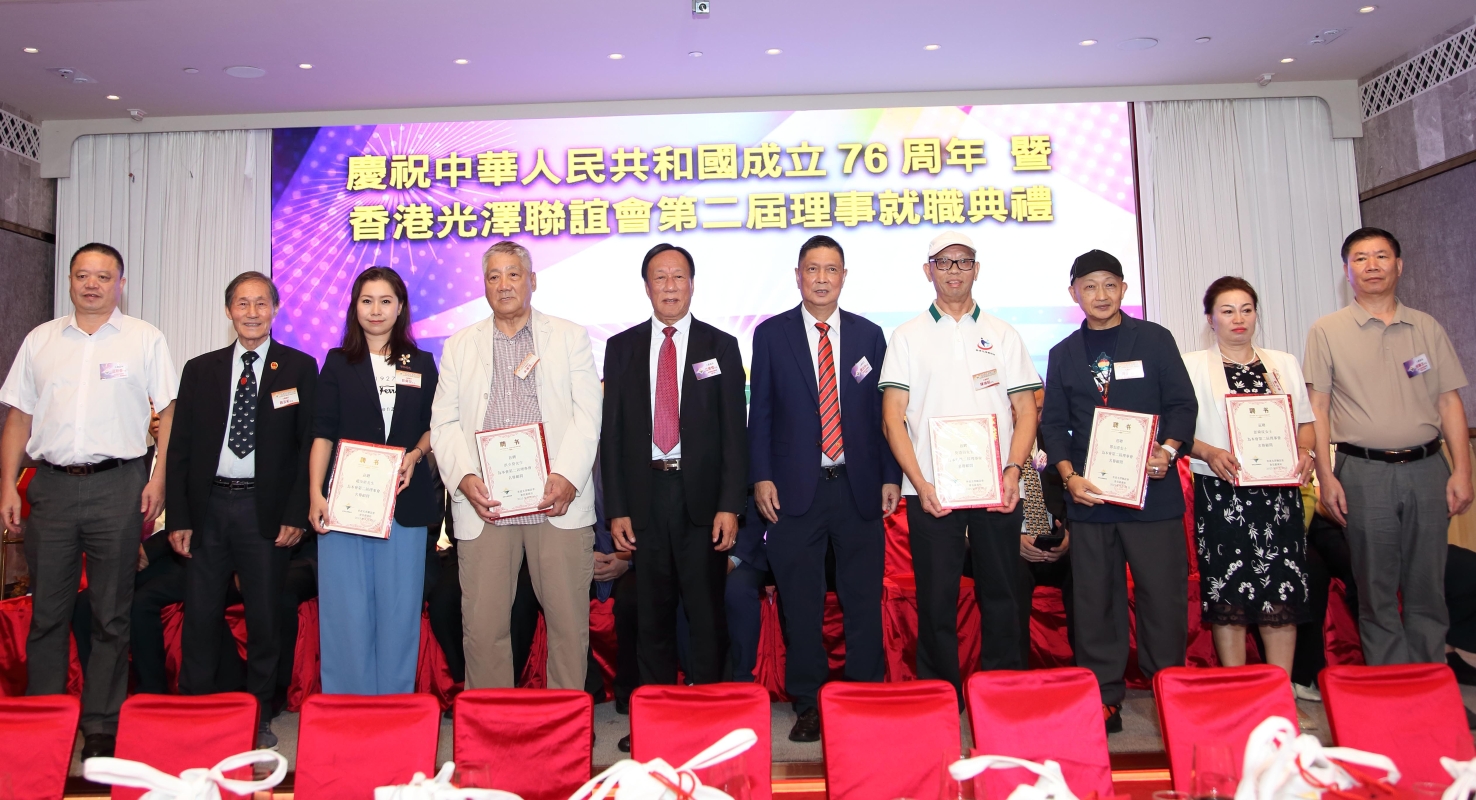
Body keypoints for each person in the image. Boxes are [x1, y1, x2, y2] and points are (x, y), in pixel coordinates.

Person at [0, 243, 177, 759]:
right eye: (83, 275)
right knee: (47, 612)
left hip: (118, 484)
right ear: (71, 281)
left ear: (121, 283)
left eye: (103, 276)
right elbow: (19, 417)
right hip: (51, 486)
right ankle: (44, 720)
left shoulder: (144, 338)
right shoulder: (41, 339)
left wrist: (159, 479)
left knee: (110, 614)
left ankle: (102, 724)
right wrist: (7, 484)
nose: (92, 285)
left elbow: (169, 414)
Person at [430, 241, 601, 691]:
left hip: (555, 500)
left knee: (567, 625)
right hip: (486, 502)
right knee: (483, 628)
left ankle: (565, 720)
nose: (504, 284)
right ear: (484, 285)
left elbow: (588, 414)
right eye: (493, 276)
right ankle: (490, 723)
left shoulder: (568, 336)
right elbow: (443, 422)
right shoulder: (460, 345)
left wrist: (567, 476)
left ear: (532, 281)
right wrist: (464, 478)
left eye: (513, 274)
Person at [879, 231, 1041, 707]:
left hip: (997, 488)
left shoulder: (1003, 334)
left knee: (1002, 595)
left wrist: (1013, 471)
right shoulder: (906, 336)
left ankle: (1002, 696)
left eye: (963, 261)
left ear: (977, 269)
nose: (954, 270)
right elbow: (892, 417)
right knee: (936, 600)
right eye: (944, 262)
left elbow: (1026, 410)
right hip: (931, 491)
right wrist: (919, 481)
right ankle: (941, 698)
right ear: (928, 270)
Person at [1039, 249, 1196, 733]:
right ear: (1074, 294)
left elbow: (1182, 405)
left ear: (1124, 289)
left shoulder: (1154, 339)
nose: (1101, 294)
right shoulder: (1063, 353)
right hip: (1091, 497)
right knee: (1095, 601)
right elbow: (1054, 425)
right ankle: (1104, 695)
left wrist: (1168, 450)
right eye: (1089, 286)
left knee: (1162, 598)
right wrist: (1069, 477)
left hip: (1152, 494)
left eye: (1110, 284)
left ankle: (1168, 688)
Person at [750, 234, 899, 740]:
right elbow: (760, 413)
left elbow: (883, 416)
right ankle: (809, 702)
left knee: (862, 600)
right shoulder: (771, 335)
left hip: (857, 487)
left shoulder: (868, 335)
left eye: (830, 269)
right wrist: (761, 476)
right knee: (801, 603)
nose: (821, 278)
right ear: (797, 276)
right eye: (811, 269)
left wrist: (889, 476)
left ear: (844, 277)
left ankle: (864, 695)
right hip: (794, 490)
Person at [601, 243, 748, 750]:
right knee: (651, 617)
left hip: (702, 501)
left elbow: (735, 435)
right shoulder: (621, 348)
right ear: (646, 287)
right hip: (645, 497)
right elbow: (612, 436)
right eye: (660, 277)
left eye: (678, 276)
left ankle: (711, 718)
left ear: (692, 284)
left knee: (707, 614)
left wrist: (730, 505)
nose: (669, 286)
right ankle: (655, 721)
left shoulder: (721, 345)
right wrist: (617, 508)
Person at [1305, 227, 1472, 666]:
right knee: (1375, 588)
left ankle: (1430, 680)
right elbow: (1317, 408)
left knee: (1427, 586)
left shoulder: (1426, 327)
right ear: (1347, 271)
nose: (1372, 265)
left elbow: (1449, 402)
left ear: (1398, 266)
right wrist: (1325, 476)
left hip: (1428, 469)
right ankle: (1391, 686)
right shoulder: (1327, 331)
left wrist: (1462, 470)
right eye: (1360, 258)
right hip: (1363, 473)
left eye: (1381, 256)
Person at [165, 271, 317, 747]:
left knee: (265, 617)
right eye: (243, 304)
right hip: (209, 507)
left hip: (264, 511)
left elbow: (308, 448)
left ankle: (258, 714)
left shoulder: (299, 367)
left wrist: (296, 513)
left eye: (261, 303)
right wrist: (179, 517)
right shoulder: (200, 369)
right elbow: (180, 448)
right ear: (228, 310)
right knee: (201, 613)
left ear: (275, 310)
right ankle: (196, 707)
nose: (252, 313)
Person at [308, 266, 439, 694]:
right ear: (355, 307)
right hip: (346, 503)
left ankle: (395, 705)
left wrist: (416, 455)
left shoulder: (421, 363)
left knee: (400, 609)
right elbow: (323, 432)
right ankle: (347, 704)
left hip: (404, 501)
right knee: (346, 607)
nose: (376, 310)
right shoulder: (337, 362)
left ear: (400, 307)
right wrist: (315, 494)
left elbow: (435, 424)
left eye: (386, 301)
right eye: (367, 301)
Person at [1182, 276, 1316, 680]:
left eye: (1246, 309)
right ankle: (1237, 688)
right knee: (1230, 594)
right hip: (1222, 493)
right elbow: (1177, 430)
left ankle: (1280, 690)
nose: (1238, 318)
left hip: (1279, 496)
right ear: (1210, 319)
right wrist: (1208, 452)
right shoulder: (1191, 366)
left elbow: (1306, 422)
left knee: (1281, 592)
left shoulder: (1283, 363)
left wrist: (1306, 451)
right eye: (1227, 311)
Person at [1018, 388, 1073, 667]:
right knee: (1008, 570)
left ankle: (1091, 669)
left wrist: (1069, 536)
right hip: (1011, 543)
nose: (1033, 417)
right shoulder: (992, 443)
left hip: (1054, 542)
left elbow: (1077, 495)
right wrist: (1012, 539)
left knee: (1087, 567)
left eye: (1039, 410)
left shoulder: (1057, 446)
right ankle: (1015, 672)